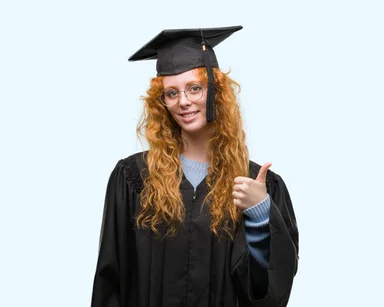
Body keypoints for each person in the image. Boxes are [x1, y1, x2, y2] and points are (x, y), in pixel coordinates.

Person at [90, 26, 299, 307]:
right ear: (161, 102)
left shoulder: (255, 185)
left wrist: (260, 213)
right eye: (171, 93)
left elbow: (267, 295)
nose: (183, 101)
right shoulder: (134, 178)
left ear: (216, 93)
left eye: (194, 88)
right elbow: (110, 281)